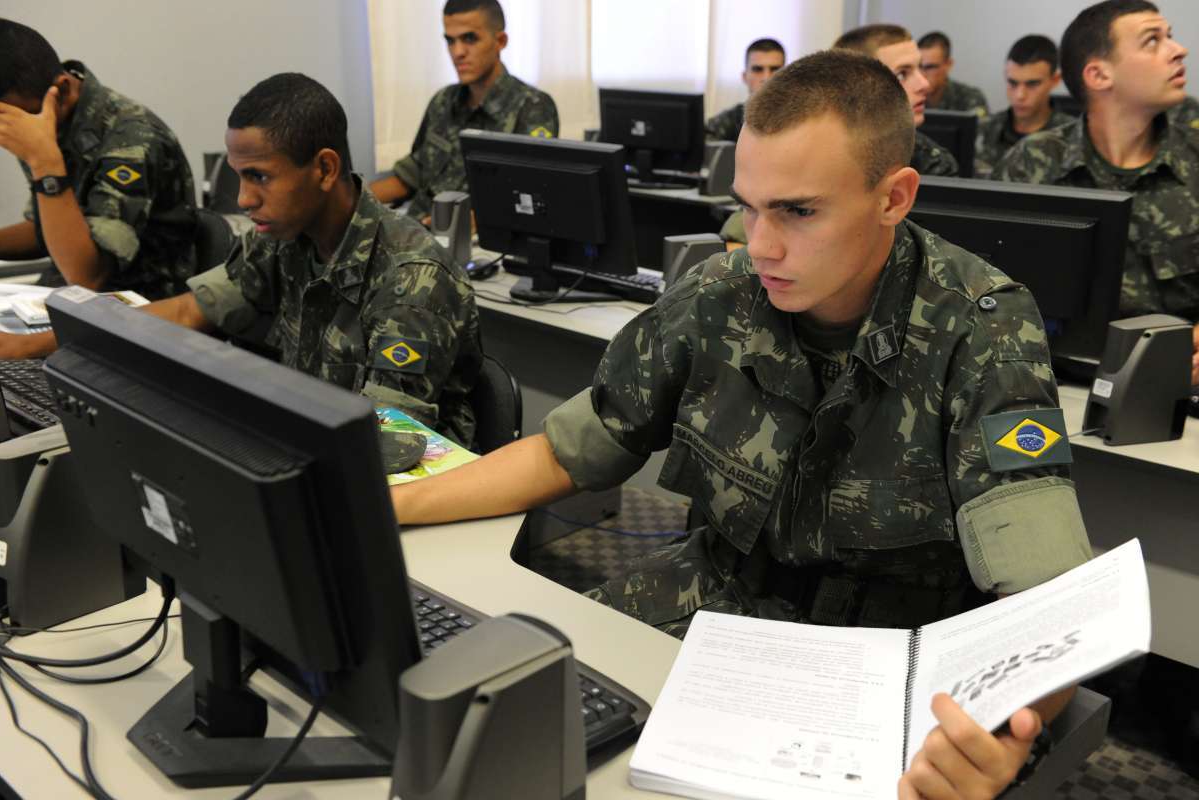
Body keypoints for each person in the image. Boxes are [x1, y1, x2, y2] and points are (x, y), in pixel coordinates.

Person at [392, 50, 1091, 799]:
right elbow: (574, 450)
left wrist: (989, 736)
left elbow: (1048, 601)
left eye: (797, 210)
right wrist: (386, 507)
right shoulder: (722, 292)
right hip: (719, 599)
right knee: (516, 728)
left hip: (886, 655)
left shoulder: (982, 324)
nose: (759, 244)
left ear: (894, 198)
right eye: (749, 207)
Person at [0, 73, 484, 446]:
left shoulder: (412, 280)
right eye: (238, 177)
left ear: (324, 168)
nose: (245, 199)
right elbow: (190, 311)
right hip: (310, 451)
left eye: (260, 177)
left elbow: (386, 441)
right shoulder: (281, 238)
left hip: (400, 494)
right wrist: (33, 347)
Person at [992, 0, 1199, 385]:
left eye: (1170, 36)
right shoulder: (1034, 163)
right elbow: (988, 293)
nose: (1179, 49)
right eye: (1153, 40)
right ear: (1099, 75)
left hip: (1180, 386)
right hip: (1053, 384)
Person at [0, 19, 195, 299]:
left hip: (141, 307)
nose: (8, 132)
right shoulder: (45, 118)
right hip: (65, 294)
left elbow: (86, 276)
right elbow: (45, 230)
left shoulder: (134, 140)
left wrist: (45, 163)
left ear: (63, 91)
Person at [722, 24, 957, 248]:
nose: (924, 84)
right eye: (903, 74)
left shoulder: (936, 163)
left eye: (920, 68)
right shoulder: (809, 149)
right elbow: (742, 236)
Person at [369, 0, 558, 222]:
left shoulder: (532, 108)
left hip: (476, 243)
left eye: (470, 38)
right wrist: (351, 199)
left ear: (500, 41)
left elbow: (530, 201)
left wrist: (465, 222)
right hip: (416, 232)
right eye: (450, 41)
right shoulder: (442, 101)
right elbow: (410, 176)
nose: (457, 52)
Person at [975, 35, 1075, 177]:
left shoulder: (1073, 137)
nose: (1020, 95)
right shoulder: (980, 131)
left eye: (1032, 84)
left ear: (1055, 80)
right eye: (1012, 83)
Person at [704, 38, 786, 142]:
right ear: (744, 76)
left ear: (786, 75)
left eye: (775, 69)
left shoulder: (801, 118)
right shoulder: (732, 120)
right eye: (757, 69)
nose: (766, 77)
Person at [918, 31, 990, 116]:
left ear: (948, 65)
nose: (921, 74)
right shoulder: (909, 99)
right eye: (918, 66)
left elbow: (981, 127)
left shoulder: (970, 98)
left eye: (930, 67)